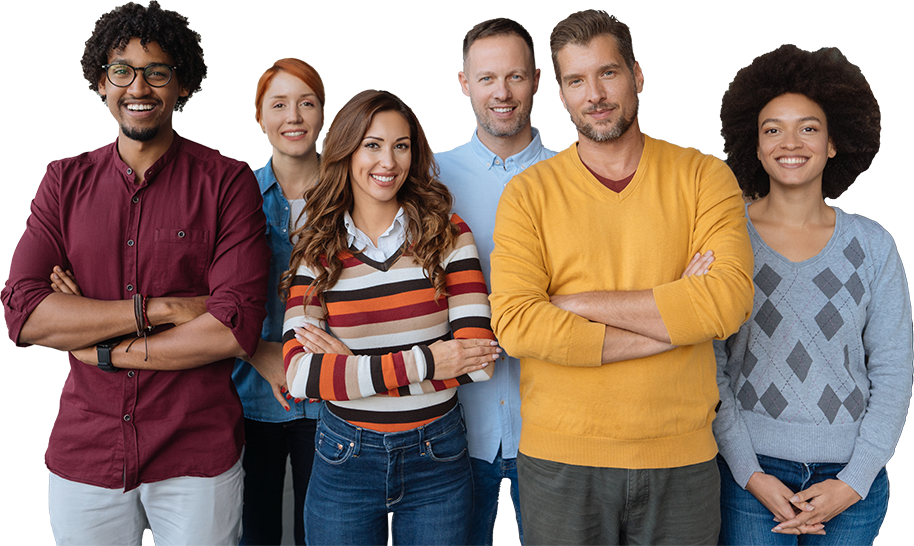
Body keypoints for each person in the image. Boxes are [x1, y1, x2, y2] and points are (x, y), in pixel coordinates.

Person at [1, 2, 269, 544]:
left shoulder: (228, 184)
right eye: (121, 71)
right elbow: (24, 313)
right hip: (87, 451)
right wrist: (166, 309)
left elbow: (230, 326)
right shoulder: (62, 182)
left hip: (197, 451)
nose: (138, 87)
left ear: (183, 85)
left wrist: (99, 344)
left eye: (157, 72)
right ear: (101, 82)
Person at [488, 9, 755, 546]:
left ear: (636, 75)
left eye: (608, 73)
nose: (596, 94)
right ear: (560, 95)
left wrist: (574, 302)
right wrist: (676, 317)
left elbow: (725, 305)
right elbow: (517, 325)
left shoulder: (705, 177)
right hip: (561, 461)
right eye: (576, 80)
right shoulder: (528, 194)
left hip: (682, 459)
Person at [281, 89, 502, 546]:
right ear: (346, 150)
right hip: (344, 458)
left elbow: (480, 362)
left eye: (401, 146)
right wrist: (429, 362)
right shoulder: (316, 247)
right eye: (372, 145)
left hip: (437, 458)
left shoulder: (449, 234)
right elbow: (301, 377)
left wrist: (350, 363)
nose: (388, 161)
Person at [714, 44, 913, 545]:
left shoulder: (873, 246)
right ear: (754, 147)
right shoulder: (725, 239)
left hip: (851, 481)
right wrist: (749, 472)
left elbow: (893, 370)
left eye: (809, 127)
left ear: (832, 143)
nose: (790, 141)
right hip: (749, 476)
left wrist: (854, 480)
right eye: (772, 129)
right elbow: (706, 363)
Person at [435, 17, 556, 546]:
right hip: (452, 431)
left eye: (515, 77)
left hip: (555, 434)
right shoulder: (427, 182)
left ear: (536, 81)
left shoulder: (576, 173)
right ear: (464, 85)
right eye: (486, 79)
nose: (501, 93)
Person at [231, 57, 325, 546]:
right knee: (254, 533)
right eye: (280, 104)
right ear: (259, 116)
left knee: (325, 534)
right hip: (248, 394)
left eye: (306, 103)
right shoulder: (233, 194)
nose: (294, 116)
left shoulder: (352, 192)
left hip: (332, 400)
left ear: (322, 114)